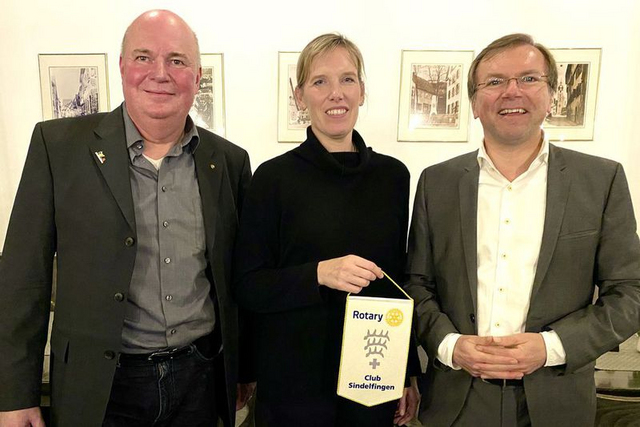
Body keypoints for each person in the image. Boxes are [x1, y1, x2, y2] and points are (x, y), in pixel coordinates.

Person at [0, 10, 252, 427]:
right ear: (122, 66)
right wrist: (14, 394)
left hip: (199, 382)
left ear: (197, 76)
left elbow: (238, 278)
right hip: (102, 389)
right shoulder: (58, 147)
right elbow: (22, 278)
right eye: (143, 57)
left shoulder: (228, 161)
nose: (160, 73)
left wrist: (243, 368)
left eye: (176, 60)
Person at [404, 33, 640, 427]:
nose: (511, 91)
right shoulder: (436, 182)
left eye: (529, 78)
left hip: (557, 401)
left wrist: (551, 347)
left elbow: (631, 292)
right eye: (495, 81)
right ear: (474, 103)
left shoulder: (602, 180)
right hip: (457, 402)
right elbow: (417, 284)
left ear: (551, 97)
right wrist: (450, 345)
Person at [234, 33, 420, 426]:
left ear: (362, 91)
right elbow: (249, 285)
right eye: (320, 81)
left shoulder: (393, 177)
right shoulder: (272, 179)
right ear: (300, 96)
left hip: (374, 376)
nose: (336, 93)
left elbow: (398, 284)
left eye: (347, 79)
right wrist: (319, 274)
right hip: (294, 383)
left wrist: (406, 373)